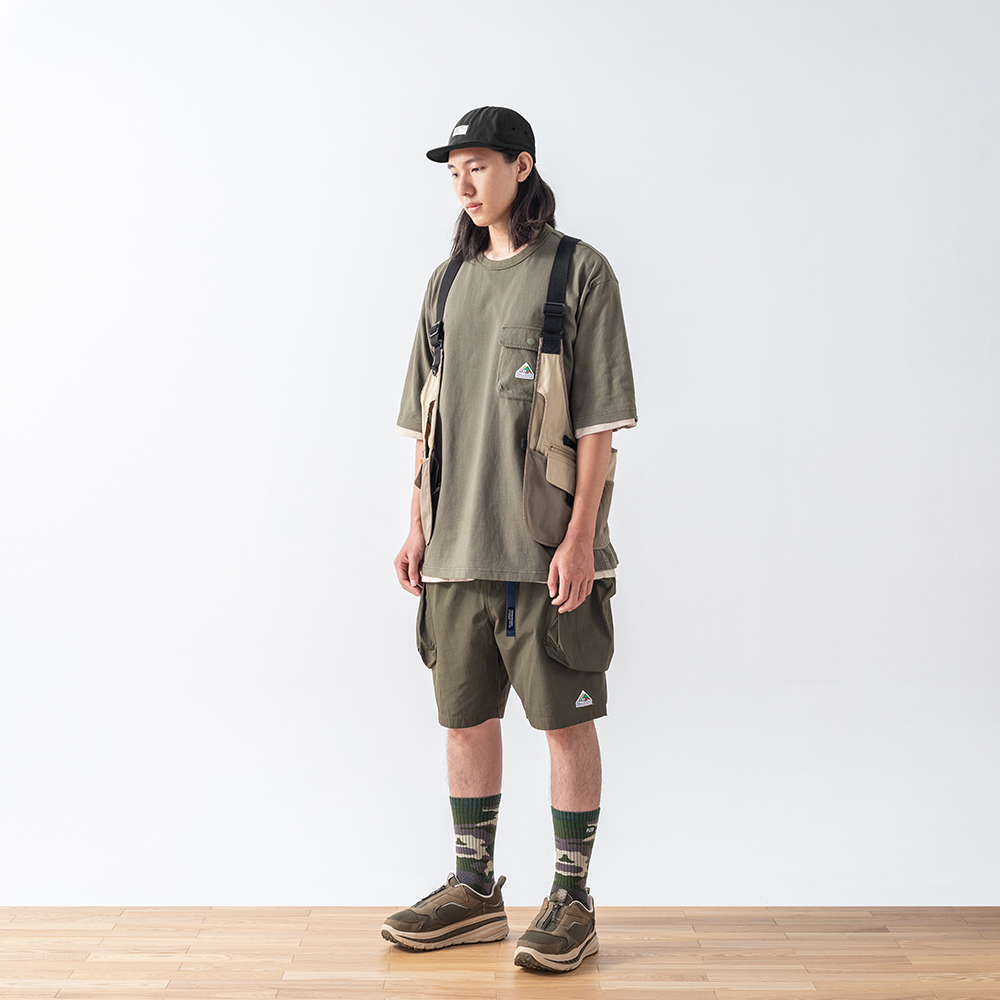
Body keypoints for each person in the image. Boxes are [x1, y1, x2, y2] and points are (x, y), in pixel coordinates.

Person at [381, 106, 637, 973]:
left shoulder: (577, 272)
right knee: (464, 721)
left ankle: (571, 896)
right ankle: (474, 889)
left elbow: (599, 425)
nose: (464, 183)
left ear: (522, 167)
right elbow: (427, 421)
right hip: (454, 552)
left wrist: (579, 539)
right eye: (454, 170)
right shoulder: (446, 283)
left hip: (543, 552)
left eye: (480, 165)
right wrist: (416, 524)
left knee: (565, 724)